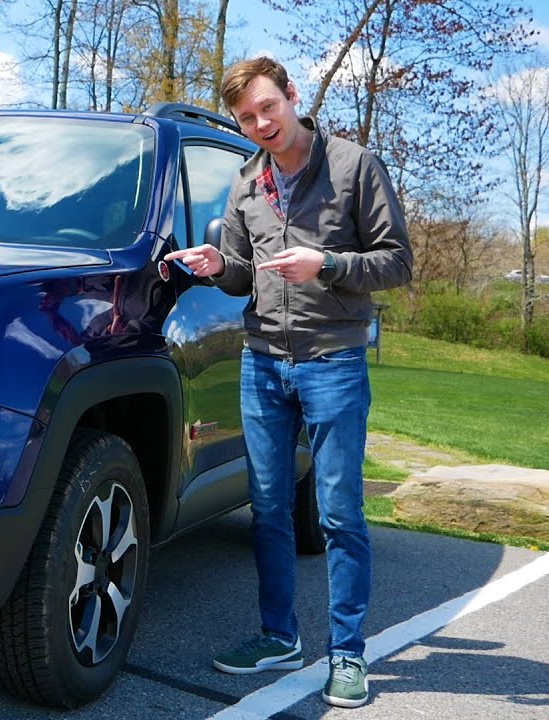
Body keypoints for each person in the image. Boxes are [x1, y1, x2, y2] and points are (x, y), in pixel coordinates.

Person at [165, 57, 413, 709]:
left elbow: (397, 262)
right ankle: (279, 636)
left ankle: (348, 654)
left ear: (291, 97)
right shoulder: (247, 181)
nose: (260, 124)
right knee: (268, 507)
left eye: (267, 108)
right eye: (247, 117)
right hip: (262, 362)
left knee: (338, 512)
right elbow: (245, 276)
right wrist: (219, 263)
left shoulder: (355, 167)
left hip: (333, 360)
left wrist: (326, 263)